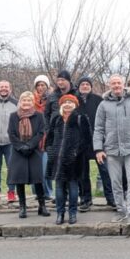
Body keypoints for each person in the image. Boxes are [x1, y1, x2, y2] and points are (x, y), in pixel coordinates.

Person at [94, 75, 130, 224]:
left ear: (123, 84)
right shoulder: (103, 105)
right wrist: (98, 149)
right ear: (109, 85)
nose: (116, 85)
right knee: (115, 182)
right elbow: (98, 129)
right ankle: (120, 210)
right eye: (113, 83)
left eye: (119, 83)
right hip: (111, 150)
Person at [47, 94, 90, 225]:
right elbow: (50, 137)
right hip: (57, 160)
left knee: (73, 187)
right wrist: (51, 151)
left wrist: (75, 153)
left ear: (75, 105)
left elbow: (86, 139)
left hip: (74, 160)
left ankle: (72, 213)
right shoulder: (56, 119)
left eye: (70, 102)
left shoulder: (80, 118)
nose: (67, 104)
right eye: (65, 102)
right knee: (59, 188)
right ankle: (60, 213)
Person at [7, 91, 47, 218]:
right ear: (20, 102)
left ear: (32, 102)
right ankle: (22, 207)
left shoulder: (39, 116)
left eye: (29, 100)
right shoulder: (13, 116)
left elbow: (40, 133)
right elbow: (11, 133)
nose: (26, 103)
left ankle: (42, 206)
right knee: (19, 179)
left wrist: (30, 145)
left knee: (38, 179)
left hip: (34, 150)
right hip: (18, 151)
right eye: (24, 100)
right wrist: (21, 146)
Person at [76, 76, 105, 210]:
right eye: (83, 84)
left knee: (104, 170)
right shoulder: (75, 100)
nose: (85, 86)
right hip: (81, 141)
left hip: (98, 140)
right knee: (82, 173)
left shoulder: (98, 100)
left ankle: (110, 197)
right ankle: (85, 198)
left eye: (88, 84)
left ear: (91, 87)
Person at [32, 75, 53, 200]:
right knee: (35, 169)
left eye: (43, 85)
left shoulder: (51, 100)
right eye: (38, 85)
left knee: (45, 168)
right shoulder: (31, 100)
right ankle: (37, 193)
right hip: (34, 138)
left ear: (47, 86)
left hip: (48, 138)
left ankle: (48, 192)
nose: (40, 88)